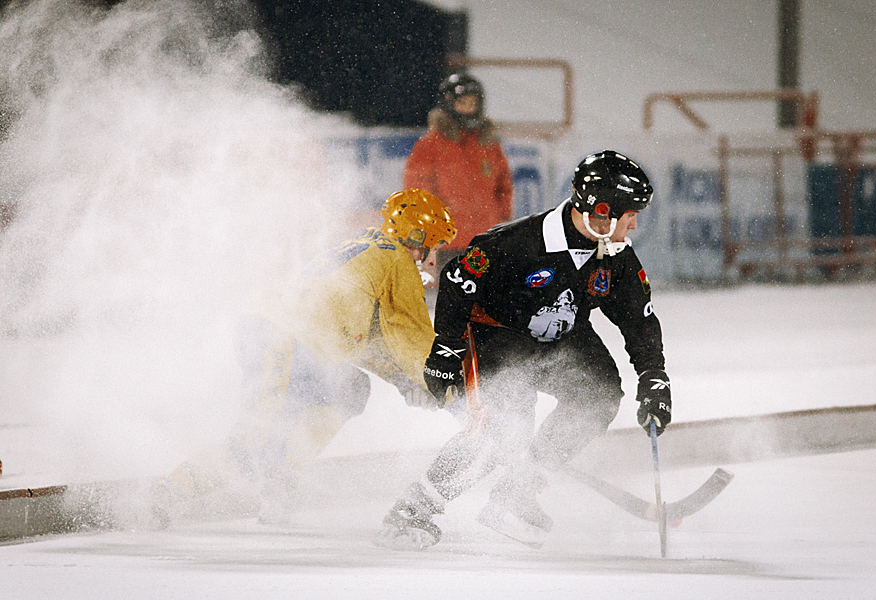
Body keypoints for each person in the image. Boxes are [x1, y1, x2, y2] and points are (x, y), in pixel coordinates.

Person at [376, 151, 672, 549]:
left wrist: (653, 375)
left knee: (598, 395)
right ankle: (411, 511)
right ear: (601, 213)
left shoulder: (616, 256)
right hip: (495, 333)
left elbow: (639, 320)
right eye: (629, 213)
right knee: (504, 430)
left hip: (560, 334)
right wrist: (446, 348)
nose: (634, 223)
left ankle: (517, 493)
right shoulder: (519, 242)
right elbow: (458, 277)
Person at [154, 189, 457, 525]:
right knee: (257, 441)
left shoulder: (370, 253)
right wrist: (449, 385)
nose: (431, 260)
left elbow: (360, 342)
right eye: (433, 246)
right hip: (285, 340)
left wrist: (405, 381)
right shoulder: (397, 261)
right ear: (415, 237)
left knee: (351, 387)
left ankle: (279, 482)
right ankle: (165, 494)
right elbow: (414, 339)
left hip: (287, 339)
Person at [403, 72, 513, 281]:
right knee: (453, 296)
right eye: (462, 103)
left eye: (473, 103)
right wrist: (430, 223)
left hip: (485, 237)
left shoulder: (488, 143)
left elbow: (503, 184)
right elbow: (417, 187)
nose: (468, 109)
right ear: (448, 105)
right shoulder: (431, 144)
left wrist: (503, 216)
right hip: (448, 240)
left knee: (485, 297)